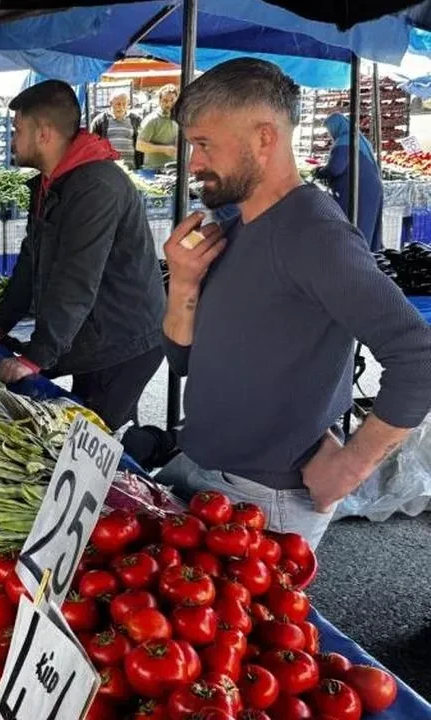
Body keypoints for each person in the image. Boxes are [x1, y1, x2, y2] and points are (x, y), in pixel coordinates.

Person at [157, 58, 431, 548]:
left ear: (265, 138)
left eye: (203, 144)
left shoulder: (313, 233)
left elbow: (418, 354)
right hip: (199, 465)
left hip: (264, 499)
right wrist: (182, 285)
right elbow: (183, 363)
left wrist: (352, 465)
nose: (194, 163)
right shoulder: (235, 225)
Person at [0, 80, 165, 431]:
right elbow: (32, 260)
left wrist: (36, 357)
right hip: (92, 334)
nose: (12, 140)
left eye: (17, 130)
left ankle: (161, 457)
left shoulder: (96, 188)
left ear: (44, 134)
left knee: (101, 438)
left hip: (123, 340)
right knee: (83, 424)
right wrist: (0, 325)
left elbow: (76, 278)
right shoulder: (53, 182)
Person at [316, 113, 384, 251]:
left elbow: (336, 168)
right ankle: (370, 260)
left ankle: (356, 261)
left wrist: (321, 171)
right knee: (368, 229)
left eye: (330, 130)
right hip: (371, 189)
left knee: (356, 227)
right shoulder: (359, 138)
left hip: (359, 191)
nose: (330, 134)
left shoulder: (344, 141)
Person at [91, 92, 141, 168]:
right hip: (109, 168)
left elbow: (141, 143)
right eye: (118, 104)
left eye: (124, 104)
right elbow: (92, 146)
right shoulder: (100, 121)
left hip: (131, 167)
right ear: (111, 103)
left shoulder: (135, 120)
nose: (121, 107)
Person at [136, 84, 179, 171]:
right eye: (165, 101)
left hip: (174, 169)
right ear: (159, 101)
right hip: (153, 170)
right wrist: (164, 149)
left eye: (172, 100)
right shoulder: (152, 120)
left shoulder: (179, 119)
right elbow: (140, 146)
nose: (169, 104)